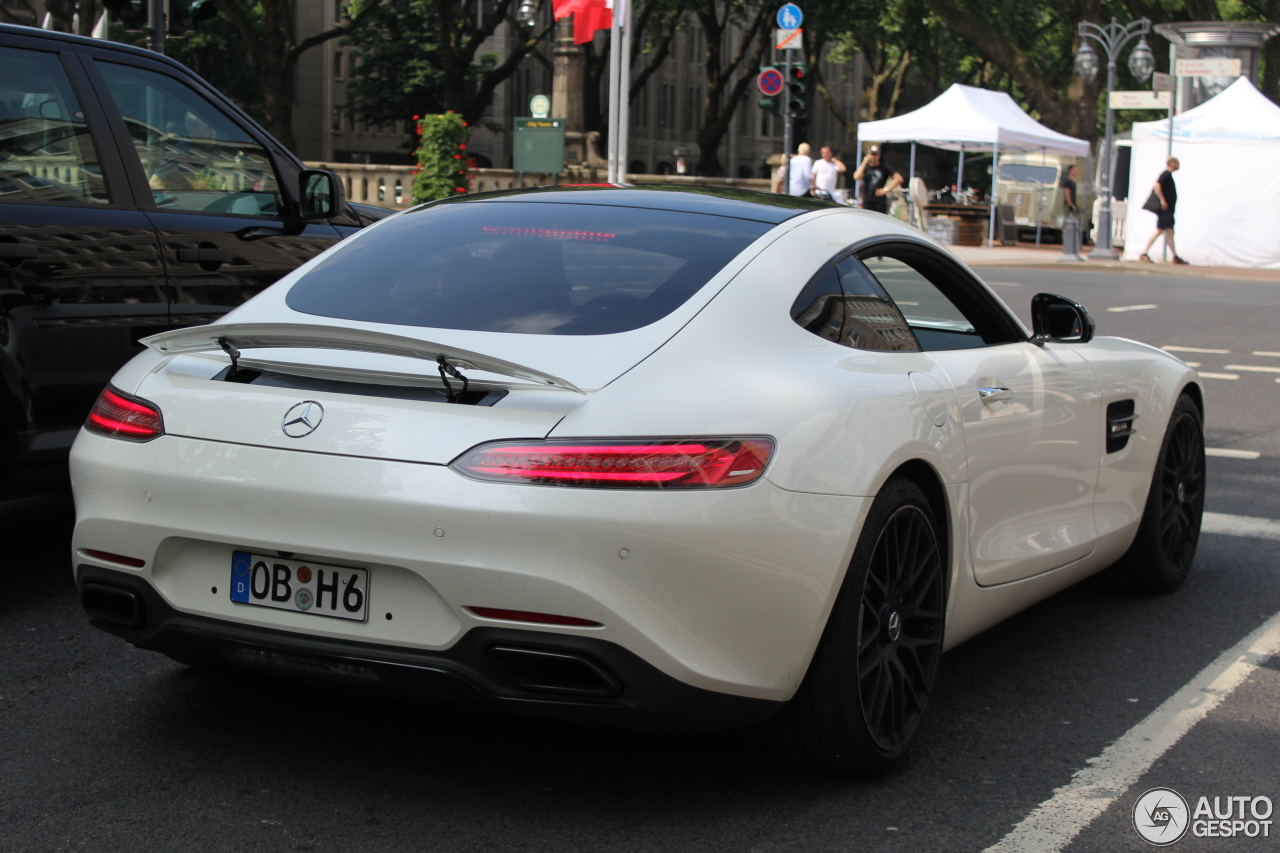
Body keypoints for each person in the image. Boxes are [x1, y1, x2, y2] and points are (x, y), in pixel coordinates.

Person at [1140, 157, 1186, 264]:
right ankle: (1144, 253)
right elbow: (1157, 185)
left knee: (1170, 231)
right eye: (1177, 163)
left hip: (1169, 210)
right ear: (1172, 163)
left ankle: (1175, 256)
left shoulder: (1168, 175)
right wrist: (1162, 200)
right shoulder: (1165, 174)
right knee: (1160, 229)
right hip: (1165, 209)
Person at [853, 144, 903, 213]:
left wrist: (886, 189)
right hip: (867, 200)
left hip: (879, 201)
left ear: (878, 156)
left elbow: (899, 178)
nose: (873, 157)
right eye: (872, 154)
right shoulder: (865, 167)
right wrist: (864, 162)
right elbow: (856, 177)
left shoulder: (884, 167)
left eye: (875, 155)